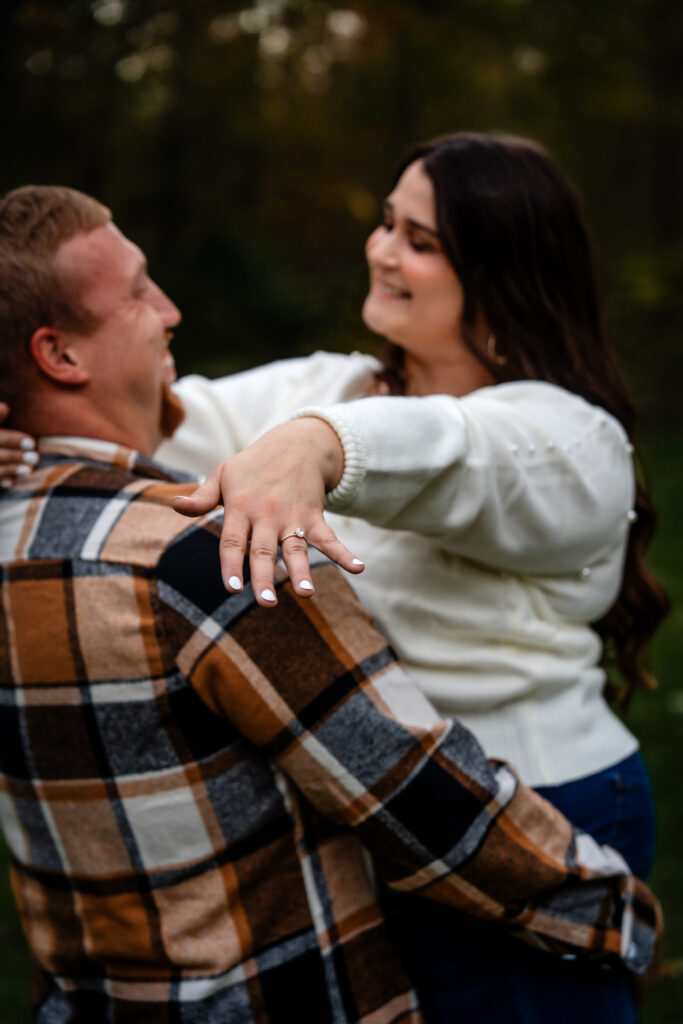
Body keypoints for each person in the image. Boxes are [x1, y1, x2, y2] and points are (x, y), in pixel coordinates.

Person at [0, 185, 661, 1023]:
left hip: (537, 803)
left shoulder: (567, 431)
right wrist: (18, 426)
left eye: (421, 240)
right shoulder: (326, 383)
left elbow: (460, 449)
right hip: (395, 803)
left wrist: (320, 442)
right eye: (386, 222)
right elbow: (144, 409)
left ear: (502, 274)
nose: (382, 250)